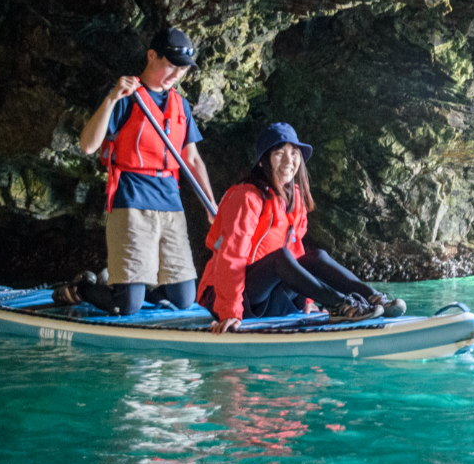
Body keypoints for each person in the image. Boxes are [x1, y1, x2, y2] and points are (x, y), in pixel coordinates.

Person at [52, 27, 216, 314]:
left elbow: (192, 159)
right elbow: (88, 145)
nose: (177, 74)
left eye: (183, 69)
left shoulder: (181, 105)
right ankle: (84, 287)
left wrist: (211, 205)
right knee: (126, 306)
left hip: (169, 201)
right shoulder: (127, 97)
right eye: (171, 65)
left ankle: (128, 283)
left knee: (183, 298)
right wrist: (112, 98)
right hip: (131, 198)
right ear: (152, 56)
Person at [200, 122, 407, 332]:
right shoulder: (246, 197)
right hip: (229, 295)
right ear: (262, 162)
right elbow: (231, 256)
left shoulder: (294, 198)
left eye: (294, 153)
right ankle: (340, 305)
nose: (289, 161)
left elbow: (296, 251)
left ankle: (372, 297)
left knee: (315, 256)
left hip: (270, 294)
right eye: (279, 154)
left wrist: (308, 299)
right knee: (279, 257)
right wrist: (229, 312)